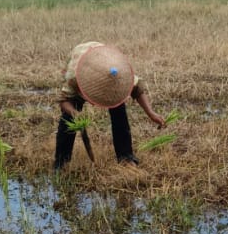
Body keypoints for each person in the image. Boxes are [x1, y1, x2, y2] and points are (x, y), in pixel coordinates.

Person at [54, 41, 164, 170]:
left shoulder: (120, 74)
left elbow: (137, 89)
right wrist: (75, 114)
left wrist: (151, 113)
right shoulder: (75, 76)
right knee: (68, 118)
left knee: (119, 109)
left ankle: (125, 157)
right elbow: (64, 100)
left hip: (103, 59)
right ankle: (61, 161)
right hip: (82, 61)